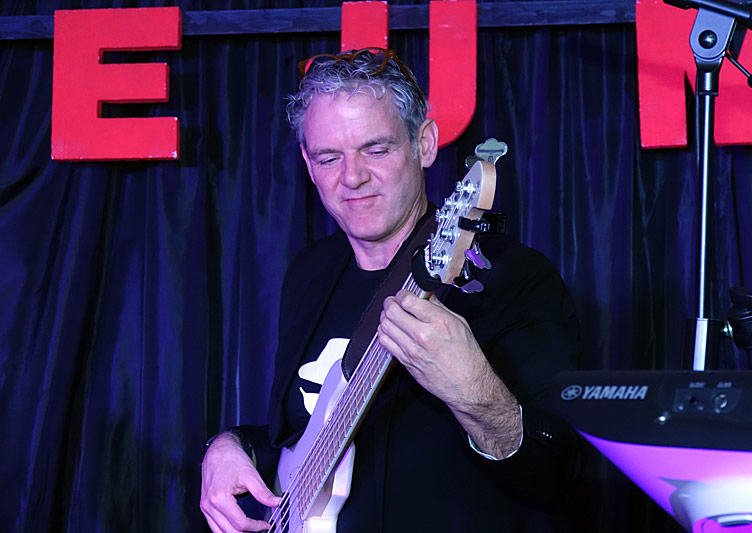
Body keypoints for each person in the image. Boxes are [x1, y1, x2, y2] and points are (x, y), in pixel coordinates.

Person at [200, 48, 583, 533]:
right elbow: (301, 436)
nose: (353, 177)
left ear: (424, 143)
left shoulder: (514, 277)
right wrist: (230, 446)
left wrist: (474, 392)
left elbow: (557, 476)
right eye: (329, 157)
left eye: (376, 149)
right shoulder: (310, 273)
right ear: (308, 164)